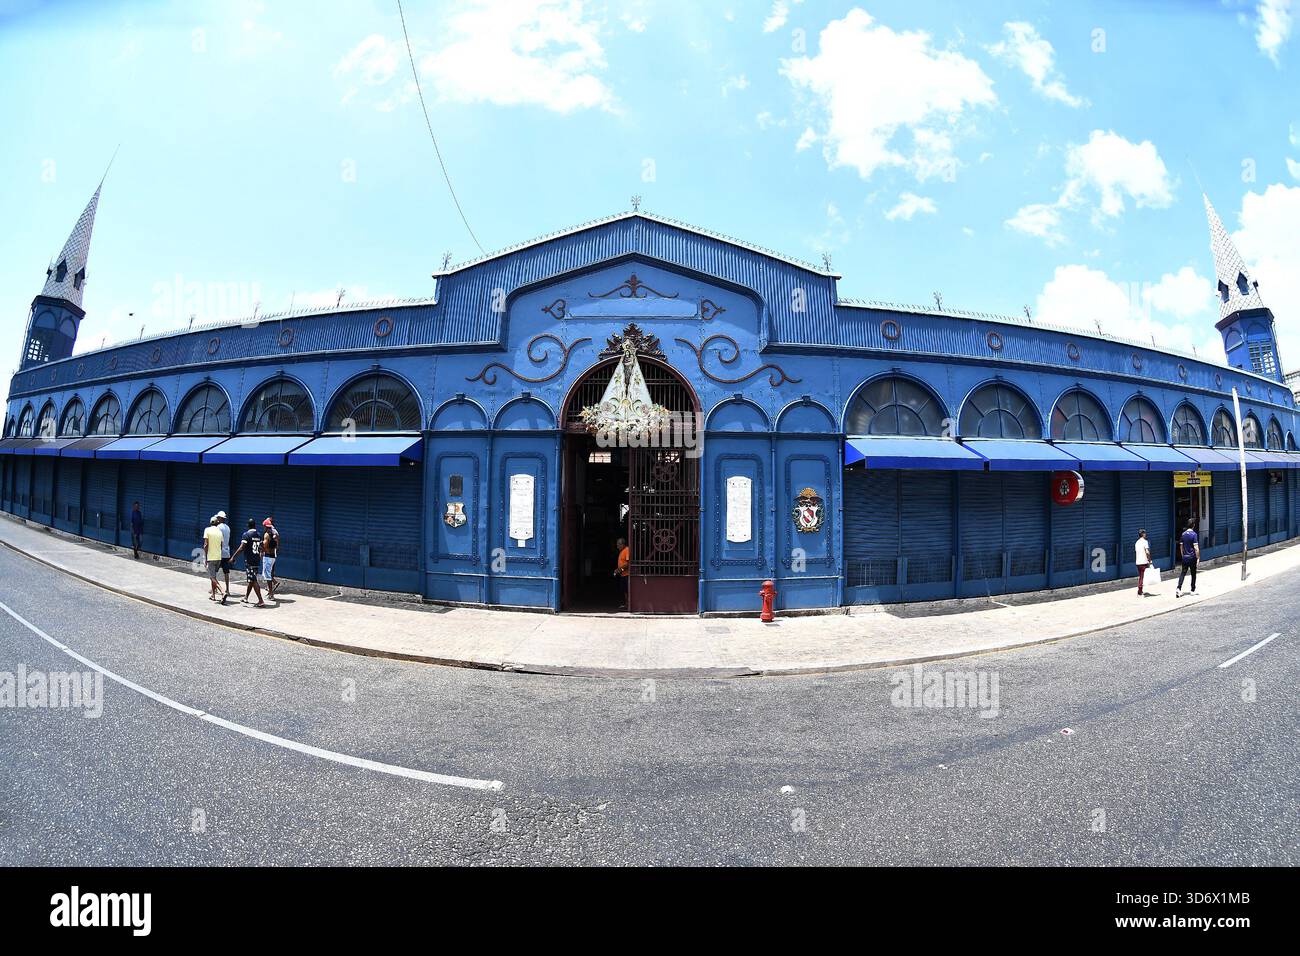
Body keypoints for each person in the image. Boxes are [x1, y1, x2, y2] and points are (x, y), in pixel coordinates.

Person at [230, 518, 266, 607]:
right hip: (256, 560)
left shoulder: (246, 535)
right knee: (251, 579)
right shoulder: (258, 535)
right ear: (254, 525)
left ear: (248, 526)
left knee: (253, 580)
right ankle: (246, 597)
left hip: (249, 561)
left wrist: (233, 557)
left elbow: (242, 547)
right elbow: (261, 547)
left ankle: (261, 600)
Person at [202, 516, 226, 604]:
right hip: (218, 557)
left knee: (212, 577)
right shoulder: (220, 532)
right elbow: (221, 545)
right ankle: (213, 595)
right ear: (217, 523)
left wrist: (205, 557)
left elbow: (205, 545)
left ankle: (223, 592)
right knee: (213, 577)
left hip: (211, 557)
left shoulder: (207, 530)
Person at [1176, 519, 1200, 598]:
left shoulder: (1183, 534)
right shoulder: (1194, 534)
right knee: (1193, 574)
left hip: (1185, 557)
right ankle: (1192, 590)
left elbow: (1181, 546)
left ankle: (1178, 588)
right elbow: (1196, 548)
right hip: (1192, 557)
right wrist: (1198, 557)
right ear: (1193, 525)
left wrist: (1183, 555)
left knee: (1183, 573)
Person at [261, 517, 280, 600]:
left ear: (265, 526)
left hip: (268, 557)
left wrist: (261, 548)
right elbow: (277, 545)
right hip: (273, 557)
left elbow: (264, 545)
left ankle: (271, 594)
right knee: (269, 574)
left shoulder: (267, 535)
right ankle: (270, 592)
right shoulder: (274, 534)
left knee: (268, 575)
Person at [215, 510, 232, 599]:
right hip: (227, 552)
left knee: (214, 571)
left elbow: (217, 540)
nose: (217, 519)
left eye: (218, 517)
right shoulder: (228, 528)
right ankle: (227, 589)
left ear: (220, 518)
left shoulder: (218, 527)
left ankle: (214, 589)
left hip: (219, 552)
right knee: (226, 572)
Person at [1134, 529, 1151, 597]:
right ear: (1143, 534)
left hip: (1138, 562)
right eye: (1145, 533)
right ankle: (1139, 592)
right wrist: (1149, 560)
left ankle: (1140, 591)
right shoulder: (1145, 542)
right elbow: (1147, 552)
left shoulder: (1137, 542)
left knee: (1141, 576)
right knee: (1142, 577)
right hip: (1143, 562)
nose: (1145, 534)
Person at [613, 537, 630, 609]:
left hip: (627, 574)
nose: (617, 546)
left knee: (627, 590)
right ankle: (627, 604)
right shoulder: (622, 551)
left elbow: (627, 564)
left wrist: (620, 570)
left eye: (618, 544)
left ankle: (628, 605)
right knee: (624, 590)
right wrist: (618, 570)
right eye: (617, 544)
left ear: (623, 544)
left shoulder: (627, 550)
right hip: (623, 574)